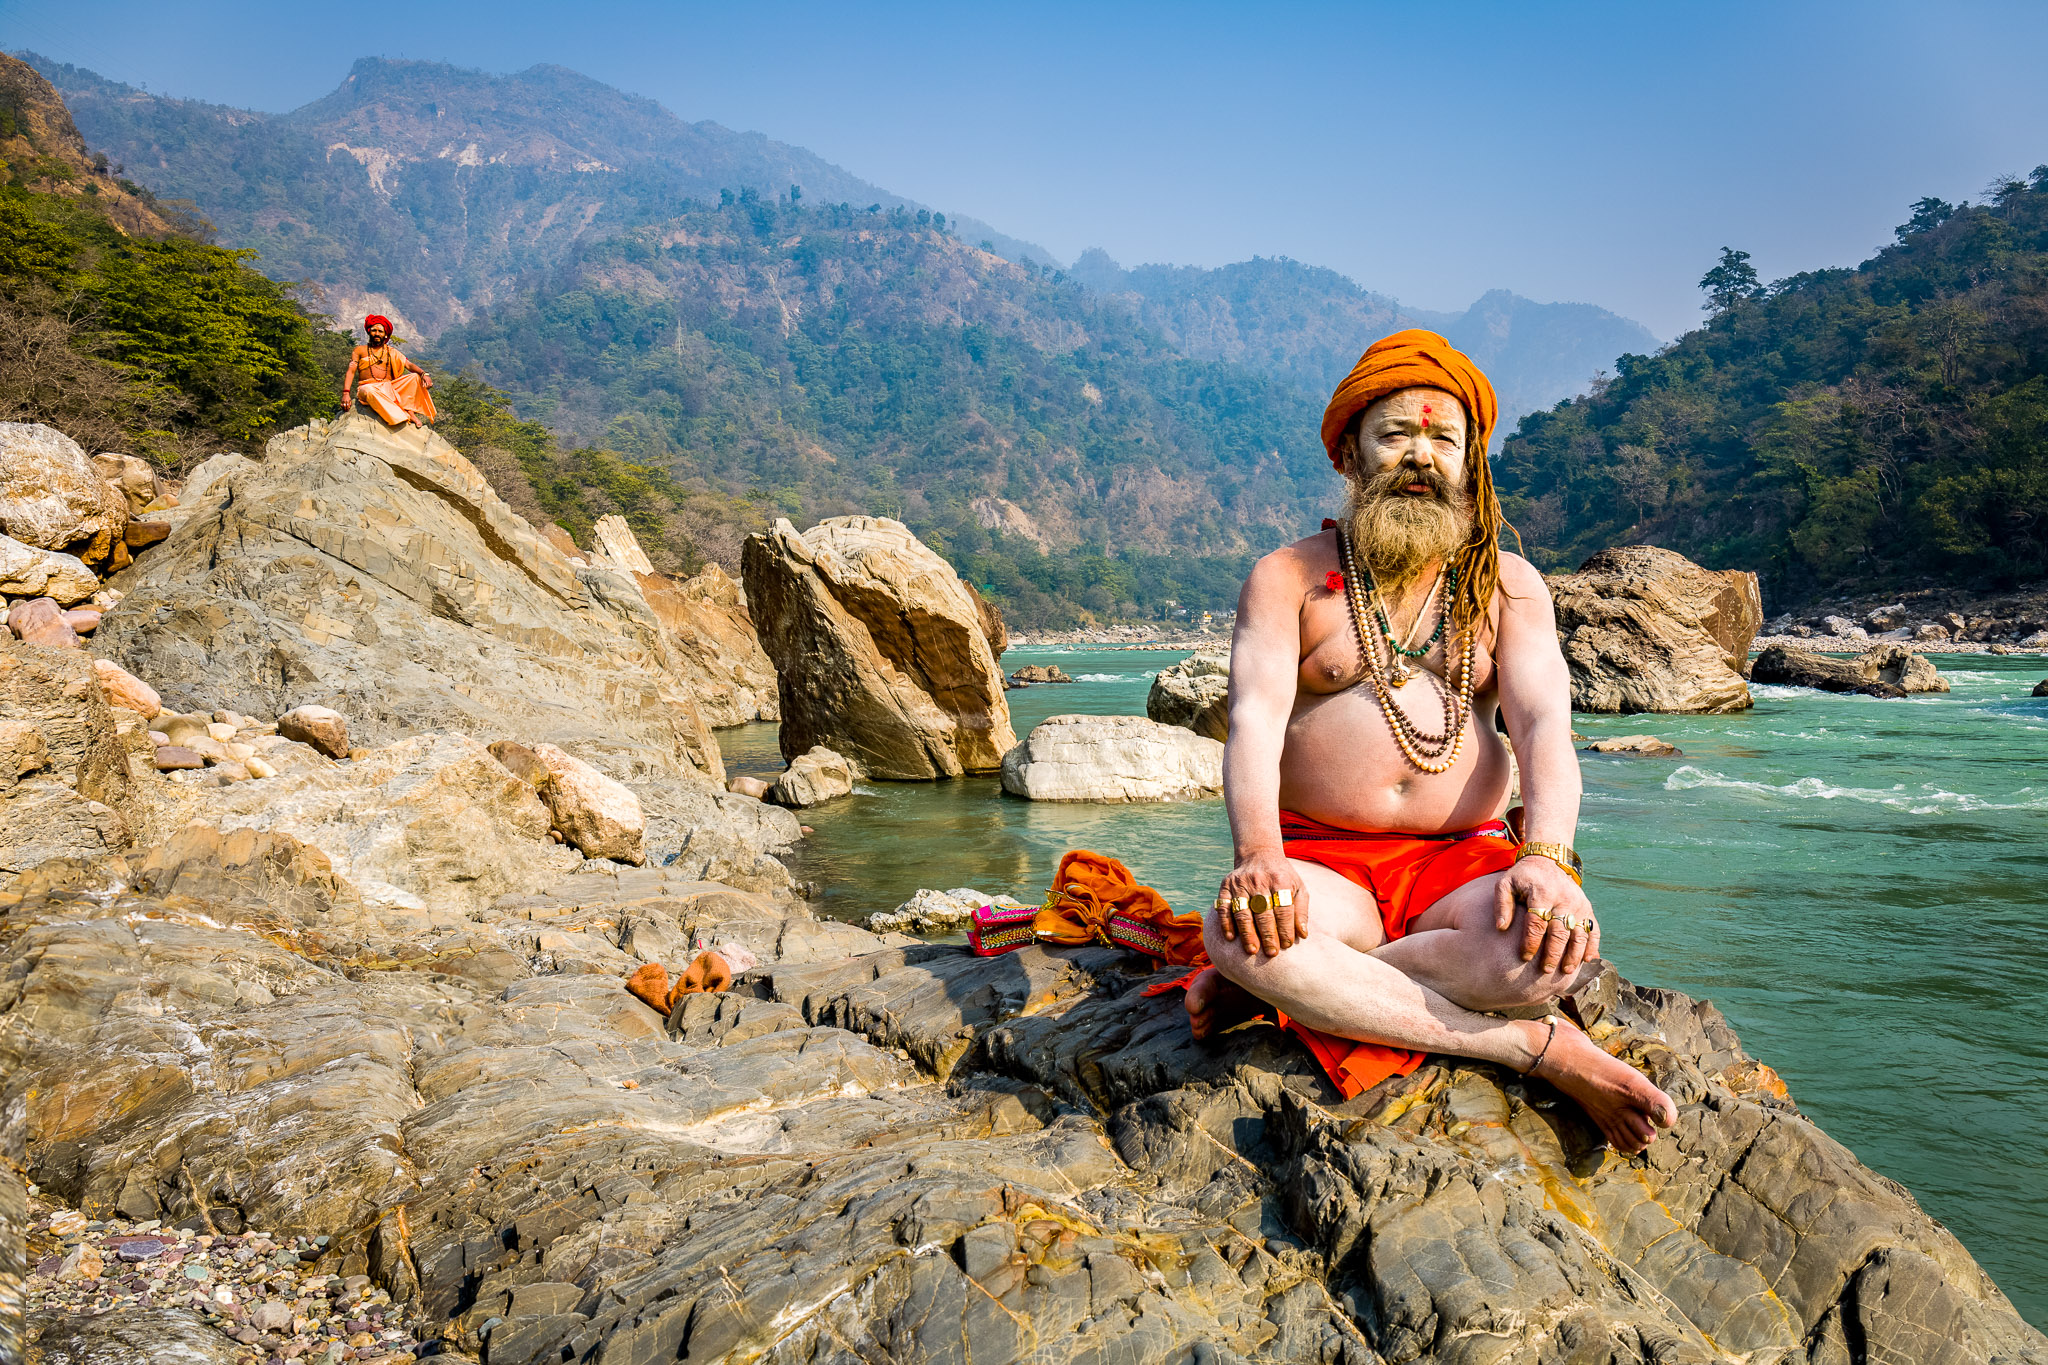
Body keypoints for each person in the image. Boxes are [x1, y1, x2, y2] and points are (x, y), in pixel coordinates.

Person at [1186, 329, 1678, 1154]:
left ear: (1469, 460)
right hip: (1323, 861)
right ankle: (1534, 1048)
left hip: (1463, 858)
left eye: (1443, 439)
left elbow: (1545, 725)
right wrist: (1257, 855)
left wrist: (1549, 860)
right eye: (1396, 436)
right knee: (1238, 932)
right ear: (1349, 455)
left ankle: (1304, 991)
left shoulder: (1508, 586)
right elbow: (1253, 725)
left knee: (1550, 955)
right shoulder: (1287, 579)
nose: (1422, 456)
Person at [342, 315, 436, 427]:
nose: (377, 334)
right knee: (369, 390)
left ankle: (408, 410)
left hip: (389, 387)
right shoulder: (360, 350)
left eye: (380, 331)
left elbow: (408, 364)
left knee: (415, 377)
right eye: (374, 330)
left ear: (385, 334)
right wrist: (346, 393)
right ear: (369, 332)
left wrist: (424, 374)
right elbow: (351, 371)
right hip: (367, 388)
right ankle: (402, 415)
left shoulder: (391, 352)